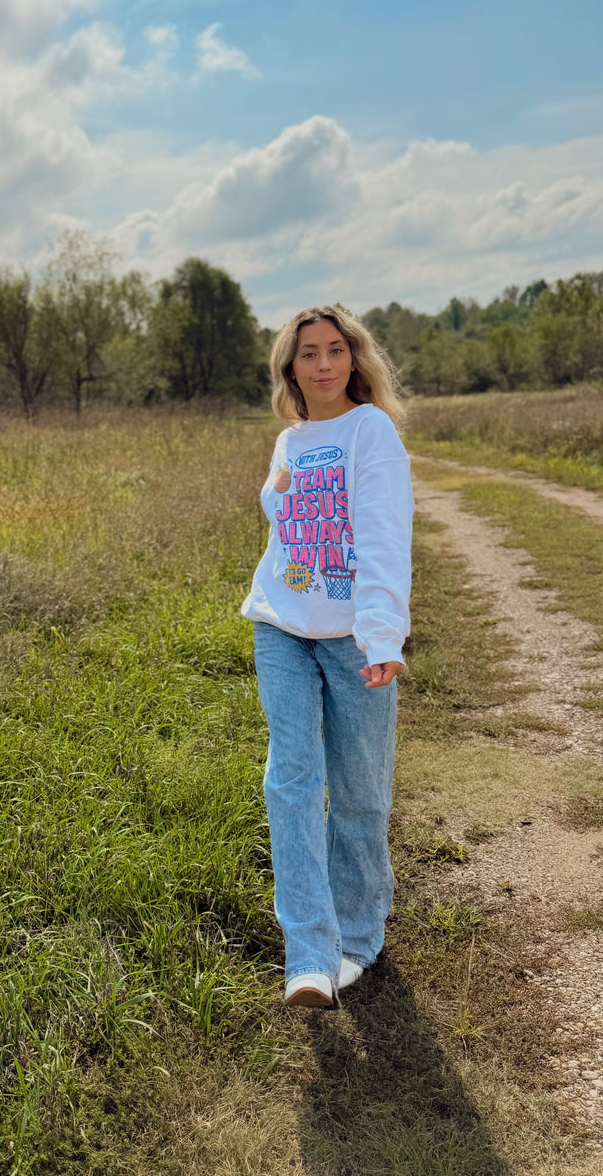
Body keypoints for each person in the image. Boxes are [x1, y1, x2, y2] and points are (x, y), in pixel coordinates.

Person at [241, 305, 413, 1009]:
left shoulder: (370, 431)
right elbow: (283, 522)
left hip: (351, 637)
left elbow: (381, 533)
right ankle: (308, 954)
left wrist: (381, 634)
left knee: (360, 789)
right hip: (280, 622)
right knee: (291, 779)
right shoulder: (289, 440)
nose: (322, 364)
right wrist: (272, 490)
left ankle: (358, 938)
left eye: (335, 350)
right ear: (290, 367)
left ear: (353, 359)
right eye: (308, 353)